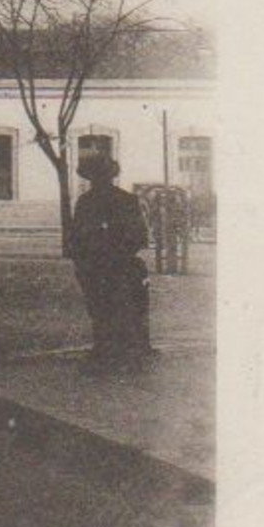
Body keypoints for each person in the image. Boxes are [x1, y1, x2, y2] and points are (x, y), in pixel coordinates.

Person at [71, 154, 152, 369]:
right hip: (118, 263)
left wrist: (89, 259)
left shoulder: (86, 202)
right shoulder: (126, 199)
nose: (99, 180)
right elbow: (140, 237)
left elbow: (78, 238)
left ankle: (108, 349)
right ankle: (124, 349)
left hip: (101, 265)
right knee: (119, 307)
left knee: (102, 308)